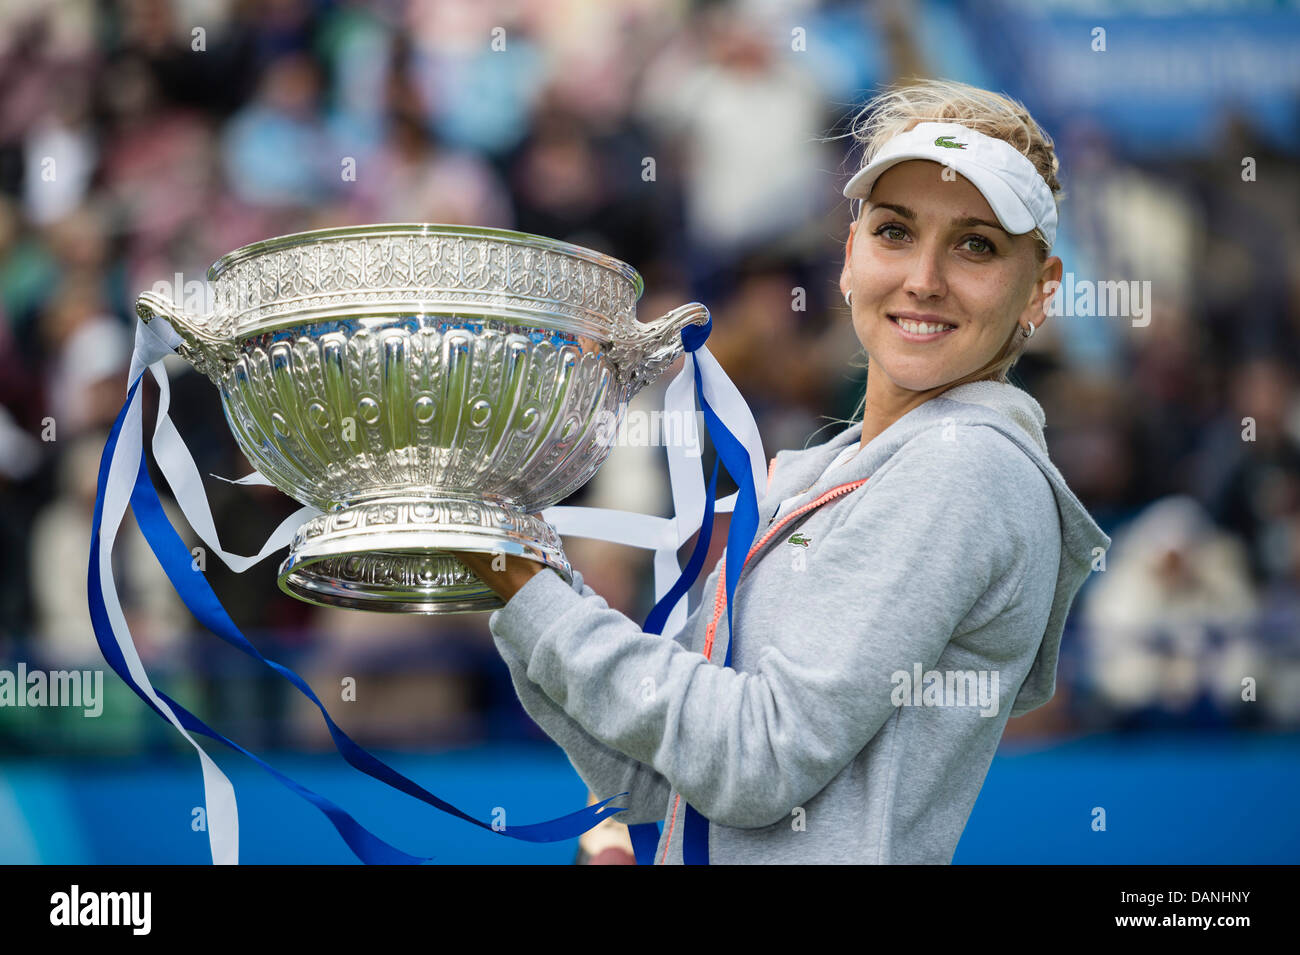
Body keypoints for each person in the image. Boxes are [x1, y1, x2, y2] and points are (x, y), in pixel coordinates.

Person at [452, 79, 1112, 864]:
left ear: (1040, 290)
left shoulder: (966, 466)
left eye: (976, 244)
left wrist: (532, 593)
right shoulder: (816, 470)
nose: (924, 278)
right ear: (849, 257)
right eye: (895, 231)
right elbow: (663, 778)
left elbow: (756, 761)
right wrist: (518, 572)